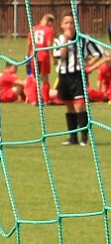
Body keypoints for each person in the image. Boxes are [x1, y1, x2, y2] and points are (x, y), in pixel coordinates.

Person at [53, 15, 106, 146]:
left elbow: (100, 53)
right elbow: (60, 57)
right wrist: (66, 40)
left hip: (78, 76)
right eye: (66, 23)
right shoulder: (58, 40)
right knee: (69, 106)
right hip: (64, 76)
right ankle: (73, 138)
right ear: (62, 25)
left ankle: (84, 138)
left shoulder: (84, 39)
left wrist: (89, 64)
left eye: (71, 23)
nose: (69, 26)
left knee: (80, 105)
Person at [33, 14, 57, 79]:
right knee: (45, 78)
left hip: (34, 55)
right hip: (44, 56)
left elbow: (29, 43)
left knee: (34, 78)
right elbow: (49, 44)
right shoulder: (49, 30)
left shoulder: (34, 28)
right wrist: (52, 58)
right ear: (49, 22)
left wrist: (28, 54)